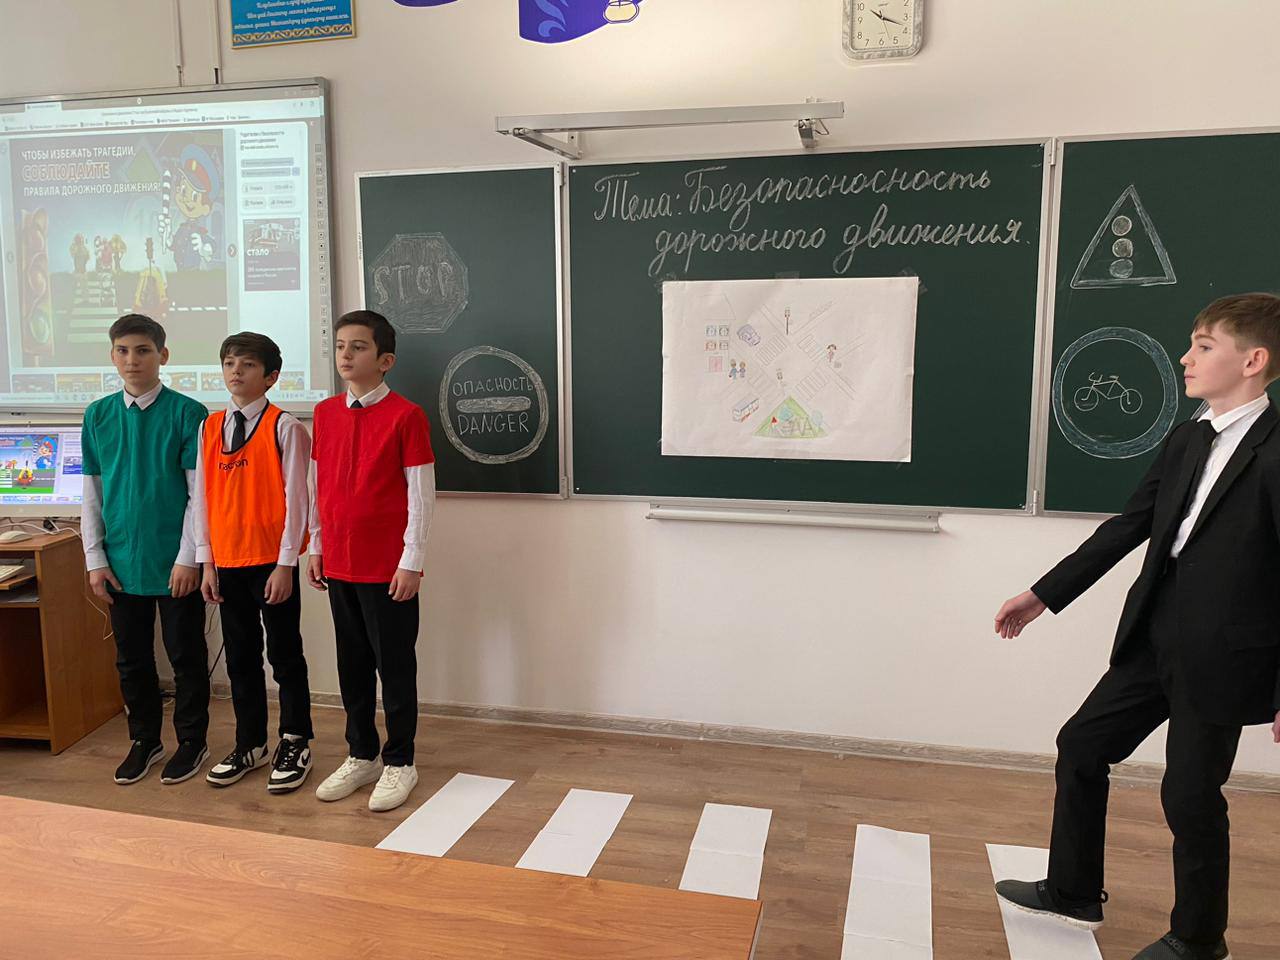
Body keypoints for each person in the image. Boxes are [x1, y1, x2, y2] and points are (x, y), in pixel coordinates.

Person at [992, 293, 1280, 960]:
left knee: (1190, 794)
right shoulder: (1188, 438)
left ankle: (1199, 941)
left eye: (1204, 346)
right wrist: (1043, 594)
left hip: (1225, 653)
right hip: (1156, 634)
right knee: (1082, 744)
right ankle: (1073, 890)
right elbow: (1129, 526)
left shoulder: (1274, 450)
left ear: (1253, 361)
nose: (1186, 358)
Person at [307, 310, 436, 813]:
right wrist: (316, 545)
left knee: (395, 667)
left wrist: (412, 560)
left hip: (387, 568)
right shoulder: (324, 413)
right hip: (339, 562)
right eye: (341, 345)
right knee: (352, 665)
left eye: (358, 347)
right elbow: (318, 487)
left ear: (385, 360)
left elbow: (421, 495)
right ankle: (361, 753)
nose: (346, 354)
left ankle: (400, 759)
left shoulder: (407, 416)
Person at [82, 313, 209, 785]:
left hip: (173, 562)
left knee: (185, 656)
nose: (132, 360)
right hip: (120, 562)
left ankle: (192, 741)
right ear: (112, 356)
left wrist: (188, 557)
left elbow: (198, 495)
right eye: (123, 351)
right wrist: (95, 558)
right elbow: (91, 493)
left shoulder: (187, 413)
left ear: (163, 356)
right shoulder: (98, 415)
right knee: (132, 659)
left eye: (142, 350)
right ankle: (145, 740)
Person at [195, 332, 315, 793]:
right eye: (229, 363)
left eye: (247, 365)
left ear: (271, 376)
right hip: (226, 562)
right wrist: (207, 562)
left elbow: (298, 500)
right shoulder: (210, 427)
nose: (236, 372)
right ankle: (250, 743)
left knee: (284, 656)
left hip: (270, 562)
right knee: (241, 658)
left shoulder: (285, 427)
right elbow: (202, 498)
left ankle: (295, 740)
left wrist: (286, 564)